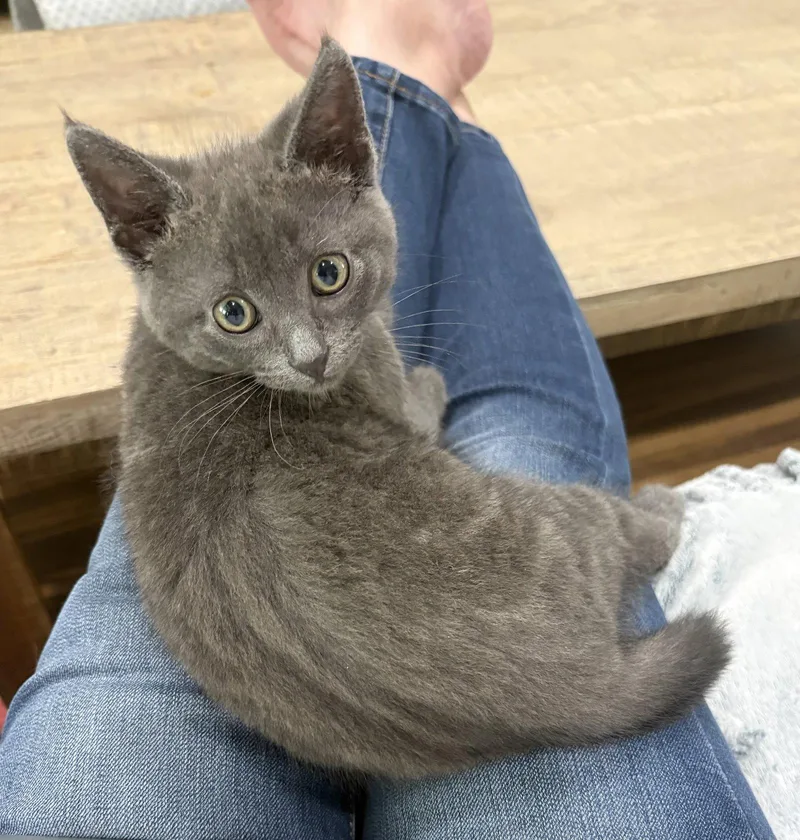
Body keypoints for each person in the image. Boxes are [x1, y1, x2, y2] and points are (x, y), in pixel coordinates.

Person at [0, 1, 774, 837]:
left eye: (326, 276)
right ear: (138, 236)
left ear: (351, 160)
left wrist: (337, 378)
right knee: (523, 443)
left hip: (301, 702)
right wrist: (637, 528)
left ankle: (400, 75)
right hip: (481, 637)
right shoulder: (282, 314)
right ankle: (416, 81)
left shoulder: (194, 308)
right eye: (237, 316)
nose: (305, 354)